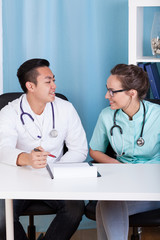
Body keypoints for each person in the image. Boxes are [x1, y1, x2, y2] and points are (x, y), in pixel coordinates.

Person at [0, 58, 88, 240]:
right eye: (48, 82)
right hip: (19, 179)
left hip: (55, 178)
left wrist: (56, 169)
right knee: (2, 217)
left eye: (54, 80)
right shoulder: (9, 112)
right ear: (30, 86)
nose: (54, 86)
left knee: (74, 210)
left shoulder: (66, 109)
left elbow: (79, 149)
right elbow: (2, 148)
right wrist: (26, 158)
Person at [89, 63, 160, 240]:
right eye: (107, 90)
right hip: (123, 181)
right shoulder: (107, 115)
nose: (107, 96)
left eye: (113, 91)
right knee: (105, 205)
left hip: (153, 186)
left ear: (132, 92)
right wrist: (119, 166)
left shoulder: (157, 115)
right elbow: (95, 151)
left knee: (105, 206)